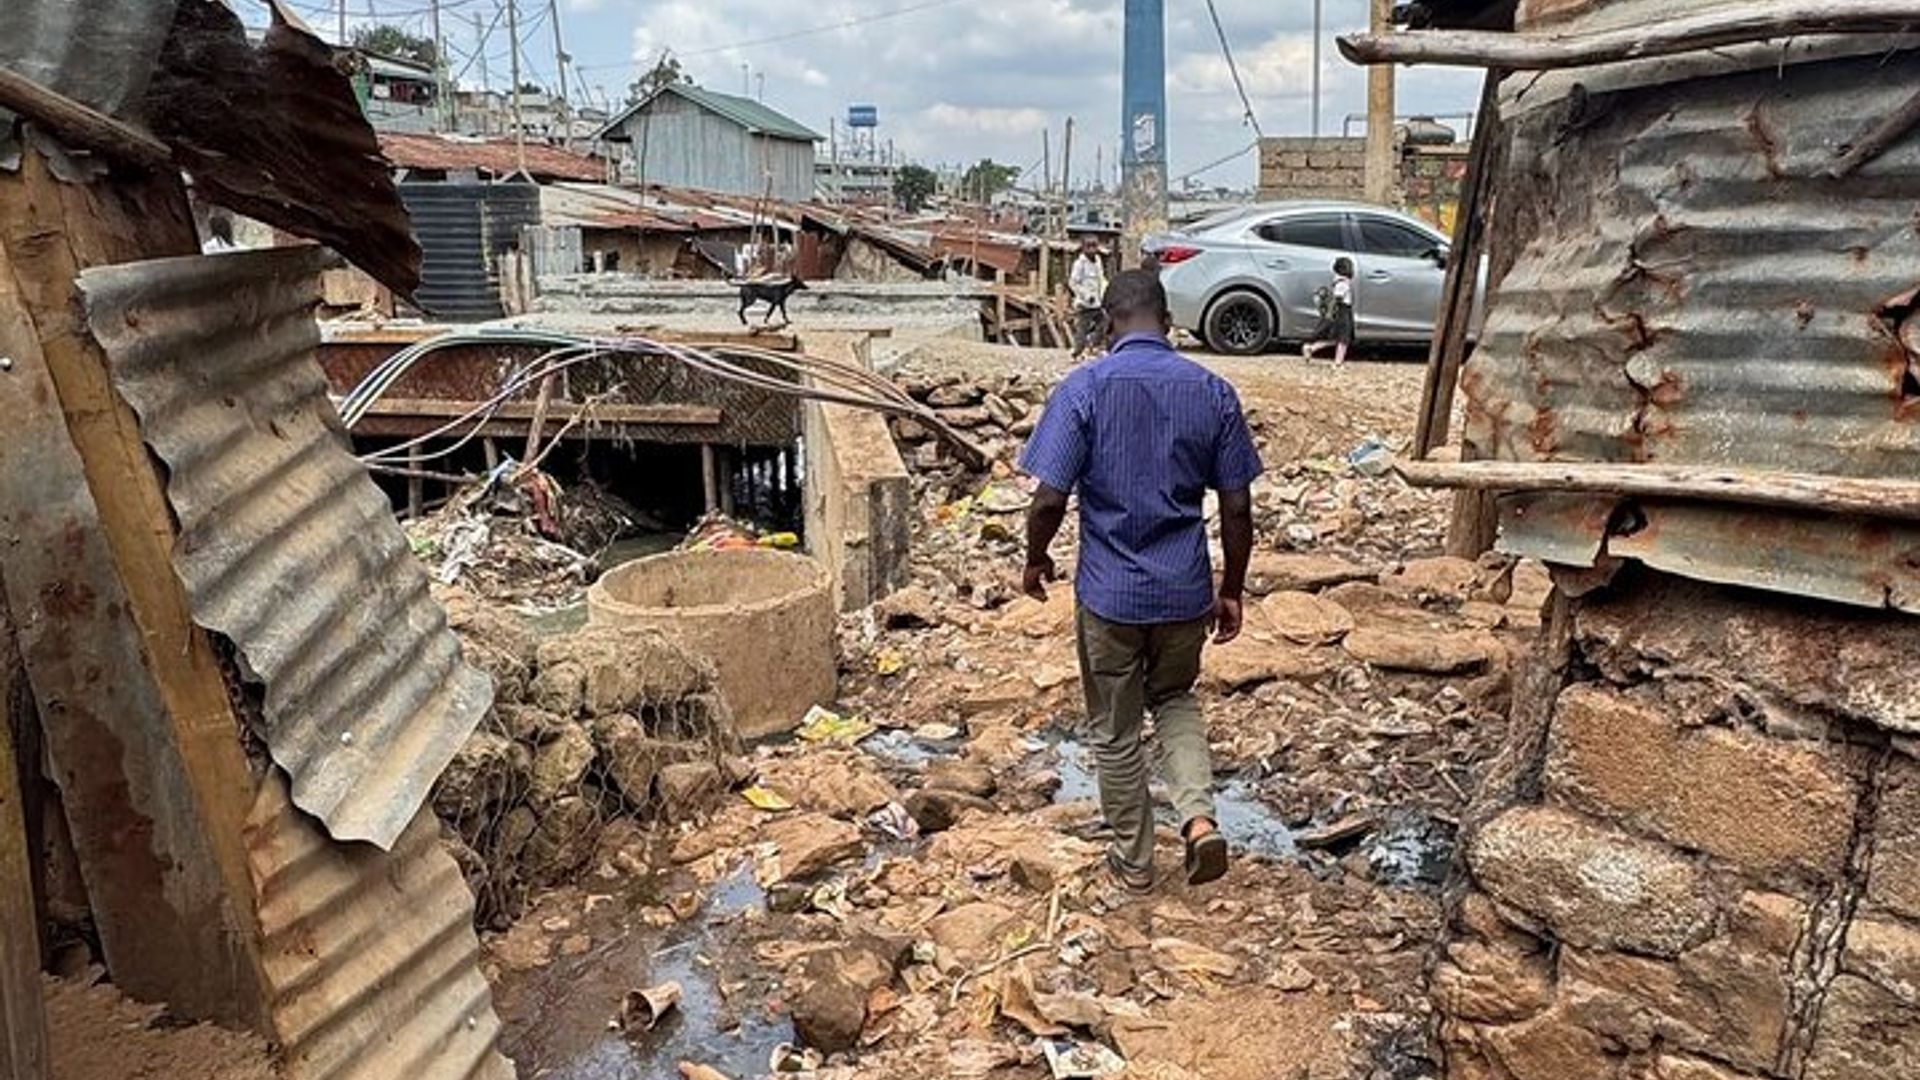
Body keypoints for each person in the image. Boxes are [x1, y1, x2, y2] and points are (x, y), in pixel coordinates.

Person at [1019, 270, 1263, 893]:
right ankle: (1199, 820)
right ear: (1170, 324)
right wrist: (1231, 587)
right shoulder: (1213, 391)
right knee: (1176, 699)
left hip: (1110, 598)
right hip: (1184, 592)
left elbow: (1049, 498)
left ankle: (1134, 863)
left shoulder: (1084, 389)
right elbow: (1237, 507)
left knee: (1116, 729)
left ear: (1105, 325)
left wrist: (1036, 559)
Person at [1303, 256, 1356, 364]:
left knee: (1338, 339)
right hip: (1343, 312)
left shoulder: (1337, 280)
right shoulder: (1343, 283)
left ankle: (1312, 348)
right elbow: (1338, 296)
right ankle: (1338, 362)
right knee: (1343, 339)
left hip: (1339, 312)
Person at [1068, 238, 1108, 359]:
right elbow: (1073, 283)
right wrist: (1085, 295)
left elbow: (1101, 279)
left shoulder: (1098, 261)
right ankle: (1076, 352)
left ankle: (1093, 345)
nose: (1092, 250)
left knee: (1105, 323)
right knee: (1082, 329)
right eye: (1089, 247)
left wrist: (1105, 291)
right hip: (1085, 303)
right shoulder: (1079, 264)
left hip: (1098, 302)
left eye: (1094, 246)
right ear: (1083, 248)